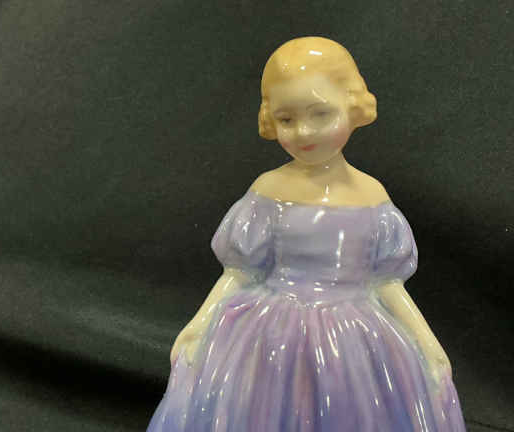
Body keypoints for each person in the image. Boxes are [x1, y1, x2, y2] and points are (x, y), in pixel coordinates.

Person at [146, 36, 467, 431]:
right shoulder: (269, 191)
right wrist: (200, 323)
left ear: (352, 106)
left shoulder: (371, 196)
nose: (303, 132)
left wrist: (427, 343)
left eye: (321, 114)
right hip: (270, 335)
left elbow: (387, 283)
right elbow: (239, 273)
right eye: (287, 120)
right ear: (270, 119)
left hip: (351, 340)